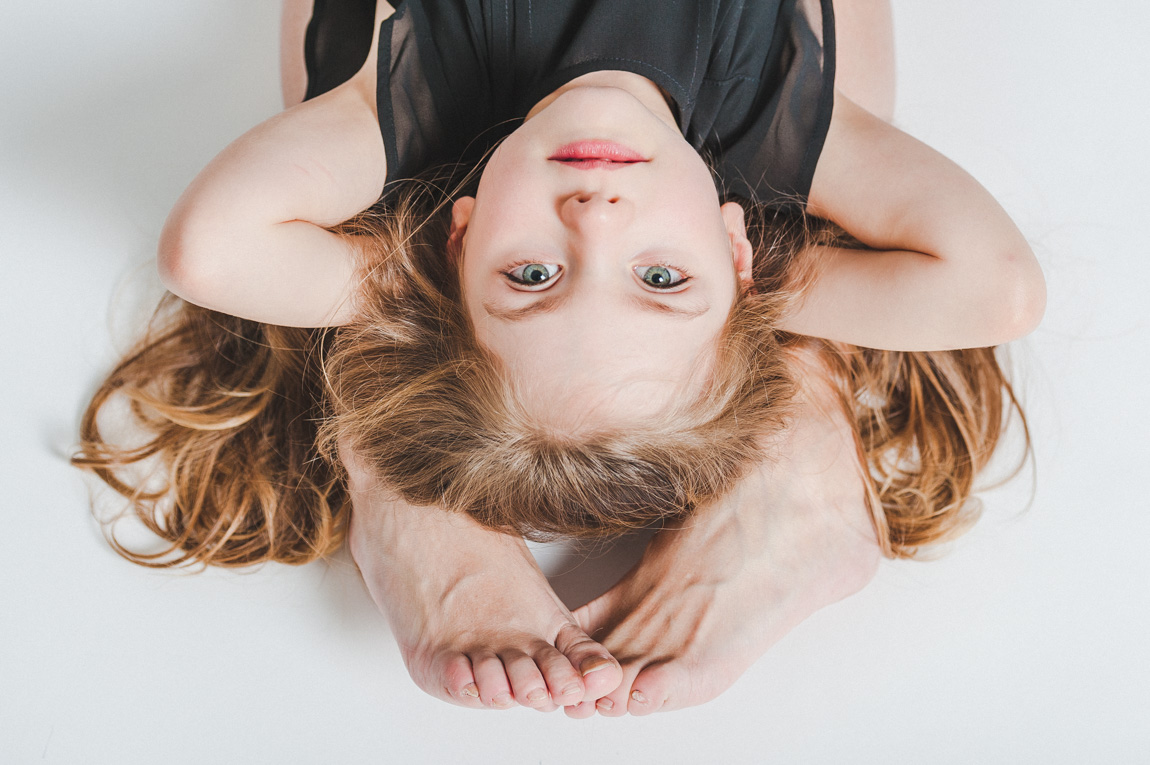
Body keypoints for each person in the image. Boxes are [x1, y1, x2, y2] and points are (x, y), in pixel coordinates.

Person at [73, 0, 1044, 716]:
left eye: (531, 275)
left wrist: (415, 294)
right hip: (740, 173)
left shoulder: (416, 94)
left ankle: (401, 459)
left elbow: (207, 250)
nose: (594, 222)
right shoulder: (766, 114)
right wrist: (749, 284)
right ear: (736, 252)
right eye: (661, 282)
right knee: (825, 136)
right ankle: (801, 405)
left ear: (457, 246)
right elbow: (998, 289)